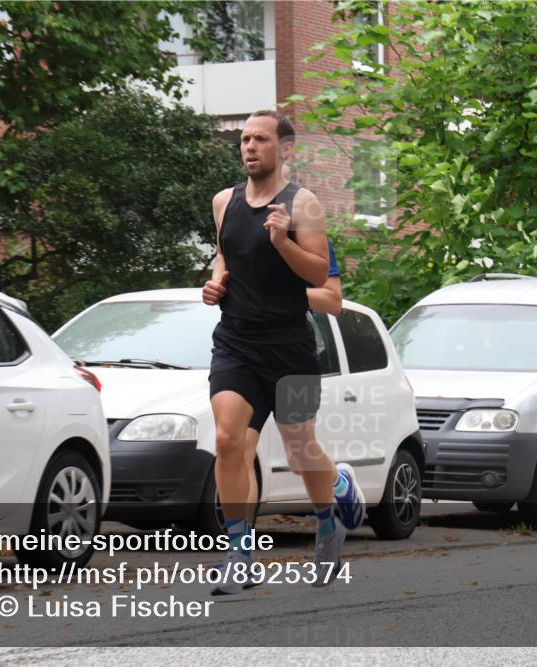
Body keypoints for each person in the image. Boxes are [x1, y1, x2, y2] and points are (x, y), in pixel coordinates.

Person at [202, 110, 362, 594]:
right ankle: (239, 554)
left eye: (260, 139)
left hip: (290, 347)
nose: (249, 147)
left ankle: (329, 526)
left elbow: (318, 276)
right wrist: (214, 282)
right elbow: (226, 253)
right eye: (244, 139)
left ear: (284, 148)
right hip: (236, 343)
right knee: (229, 440)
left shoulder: (304, 205)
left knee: (299, 450)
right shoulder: (223, 201)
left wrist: (282, 241)